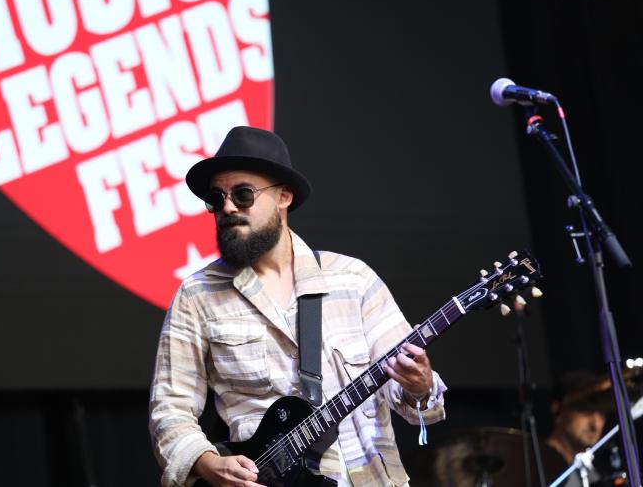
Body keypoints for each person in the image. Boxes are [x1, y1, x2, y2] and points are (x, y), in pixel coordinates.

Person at [149, 126, 447, 487]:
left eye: (243, 194)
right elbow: (170, 410)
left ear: (283, 197)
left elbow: (417, 407)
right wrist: (210, 463)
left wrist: (419, 385)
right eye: (216, 198)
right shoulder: (197, 296)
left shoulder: (353, 279)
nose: (227, 207)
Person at [541, 371, 613, 487]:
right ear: (557, 410)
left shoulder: (590, 473)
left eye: (601, 413)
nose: (595, 425)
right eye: (586, 411)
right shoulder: (536, 466)